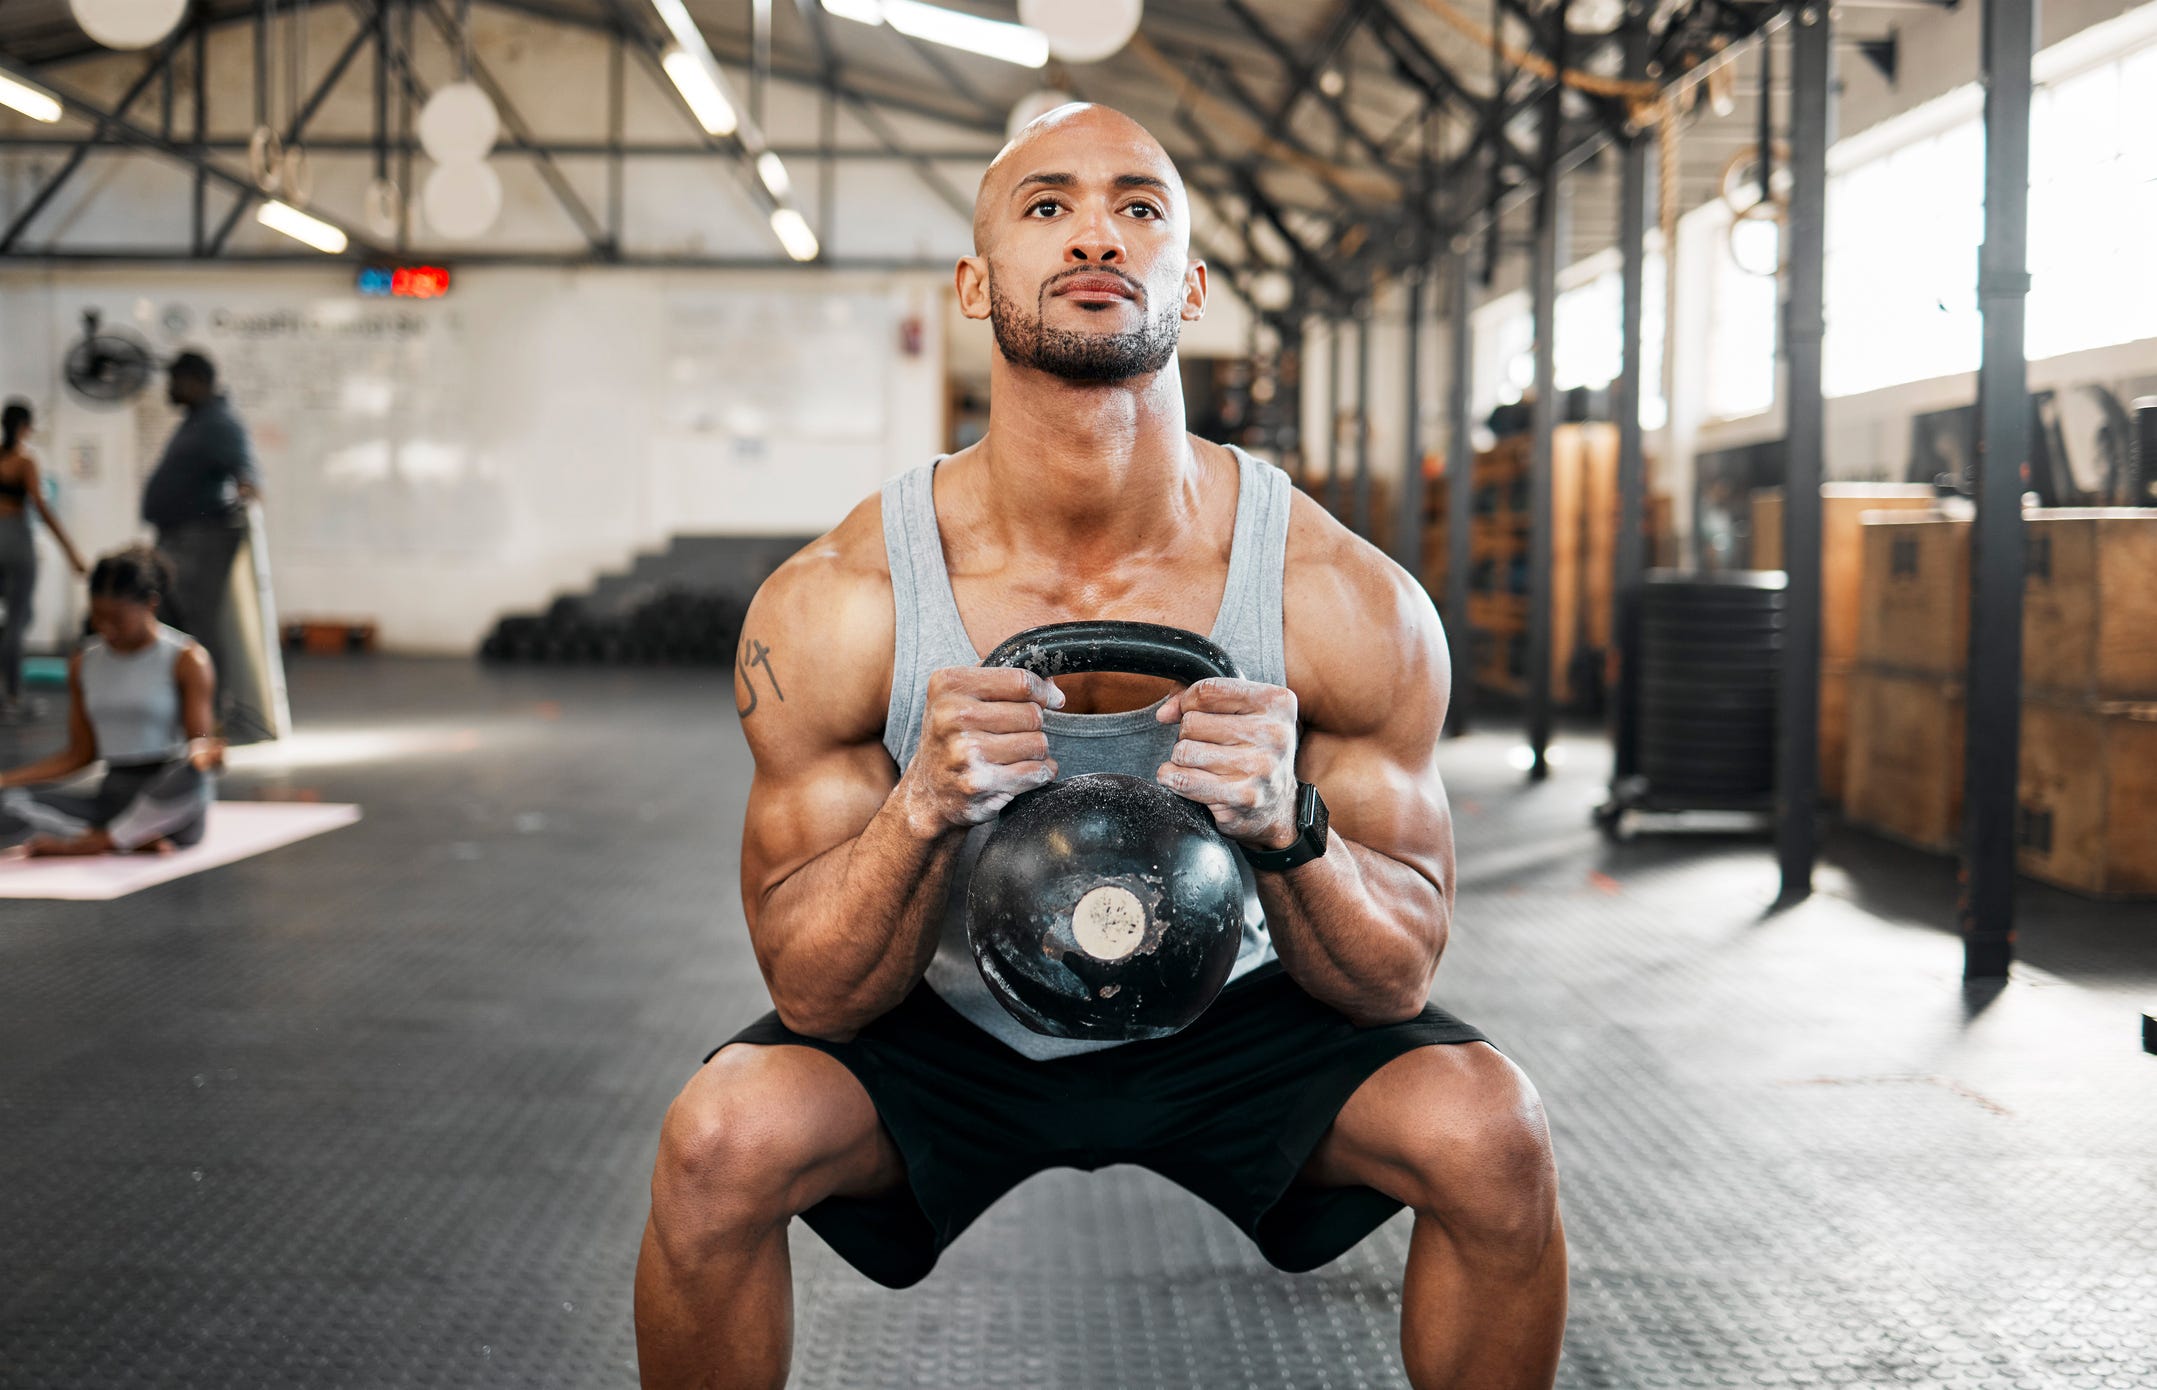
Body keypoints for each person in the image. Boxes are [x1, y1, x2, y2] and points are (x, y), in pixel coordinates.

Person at [633, 105, 1566, 1390]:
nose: (1096, 234)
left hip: (1239, 1005)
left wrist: (1288, 825)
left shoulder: (1342, 598)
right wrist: (918, 811)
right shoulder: (843, 598)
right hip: (951, 1015)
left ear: (1188, 282)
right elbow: (817, 996)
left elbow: (1392, 980)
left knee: (1491, 1129)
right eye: (1046, 206)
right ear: (977, 283)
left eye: (1139, 208)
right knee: (718, 1143)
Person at [0, 545, 223, 858]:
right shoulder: (84, 661)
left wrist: (205, 754)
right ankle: (120, 838)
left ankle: (98, 840)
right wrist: (5, 779)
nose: (106, 628)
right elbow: (79, 754)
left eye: (117, 619)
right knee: (9, 802)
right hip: (112, 800)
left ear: (151, 604)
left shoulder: (188, 660)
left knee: (189, 773)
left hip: (167, 799)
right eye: (98, 618)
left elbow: (199, 745)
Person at [140, 351, 262, 724]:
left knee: (198, 623)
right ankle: (183, 709)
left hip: (202, 536)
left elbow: (248, 476)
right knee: (171, 619)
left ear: (195, 380)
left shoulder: (220, 423)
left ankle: (210, 715)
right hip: (178, 536)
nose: (169, 390)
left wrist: (247, 496)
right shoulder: (197, 421)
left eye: (174, 381)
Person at [0, 399, 90, 722]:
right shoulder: (25, 461)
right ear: (25, 427)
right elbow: (42, 508)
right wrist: (72, 553)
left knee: (14, 620)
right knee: (18, 620)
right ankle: (12, 698)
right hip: (16, 540)